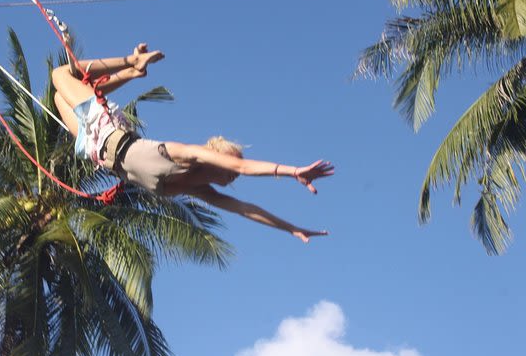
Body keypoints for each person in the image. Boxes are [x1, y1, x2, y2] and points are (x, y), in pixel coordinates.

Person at [51, 43, 334, 243]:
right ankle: (130, 62)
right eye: (230, 166)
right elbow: (244, 167)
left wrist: (292, 229)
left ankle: (133, 71)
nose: (235, 172)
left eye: (233, 170)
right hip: (108, 130)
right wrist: (292, 171)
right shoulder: (185, 155)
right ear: (217, 159)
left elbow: (247, 210)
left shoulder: (199, 189)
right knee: (61, 76)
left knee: (58, 97)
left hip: (94, 149)